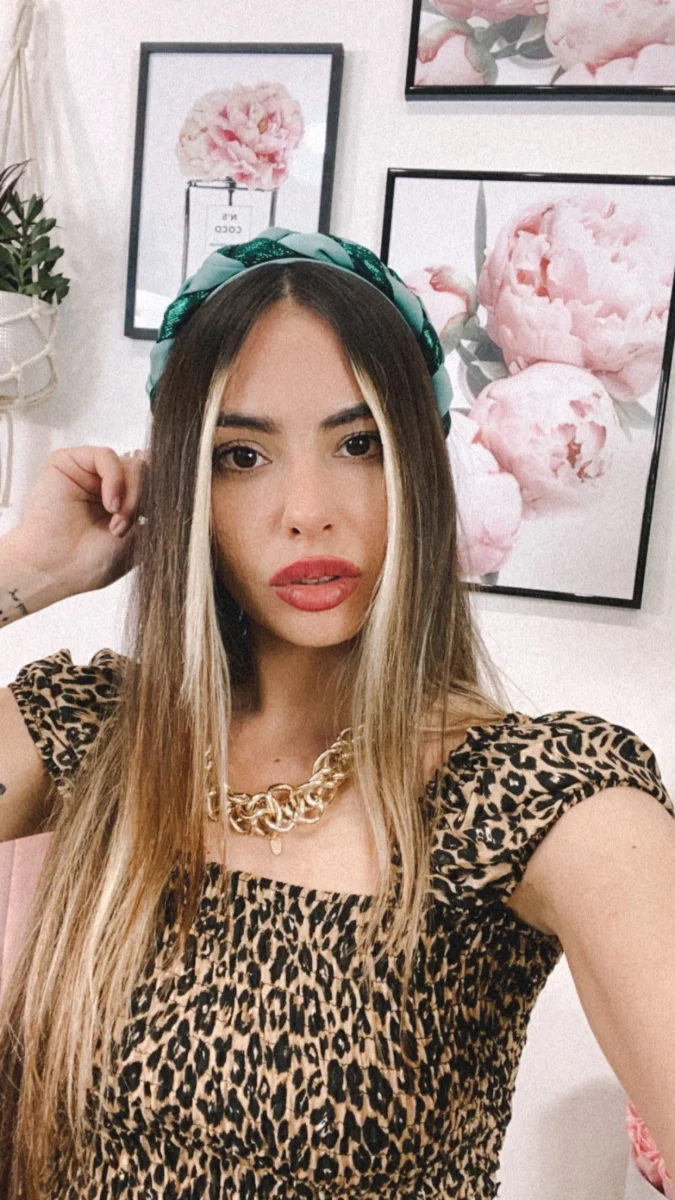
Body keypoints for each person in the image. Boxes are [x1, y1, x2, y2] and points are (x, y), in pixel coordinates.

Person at [0, 228, 673, 1199]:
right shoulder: (96, 731)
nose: (307, 509)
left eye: (358, 444)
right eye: (241, 456)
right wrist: (27, 570)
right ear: (186, 486)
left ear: (418, 468)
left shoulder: (531, 795)